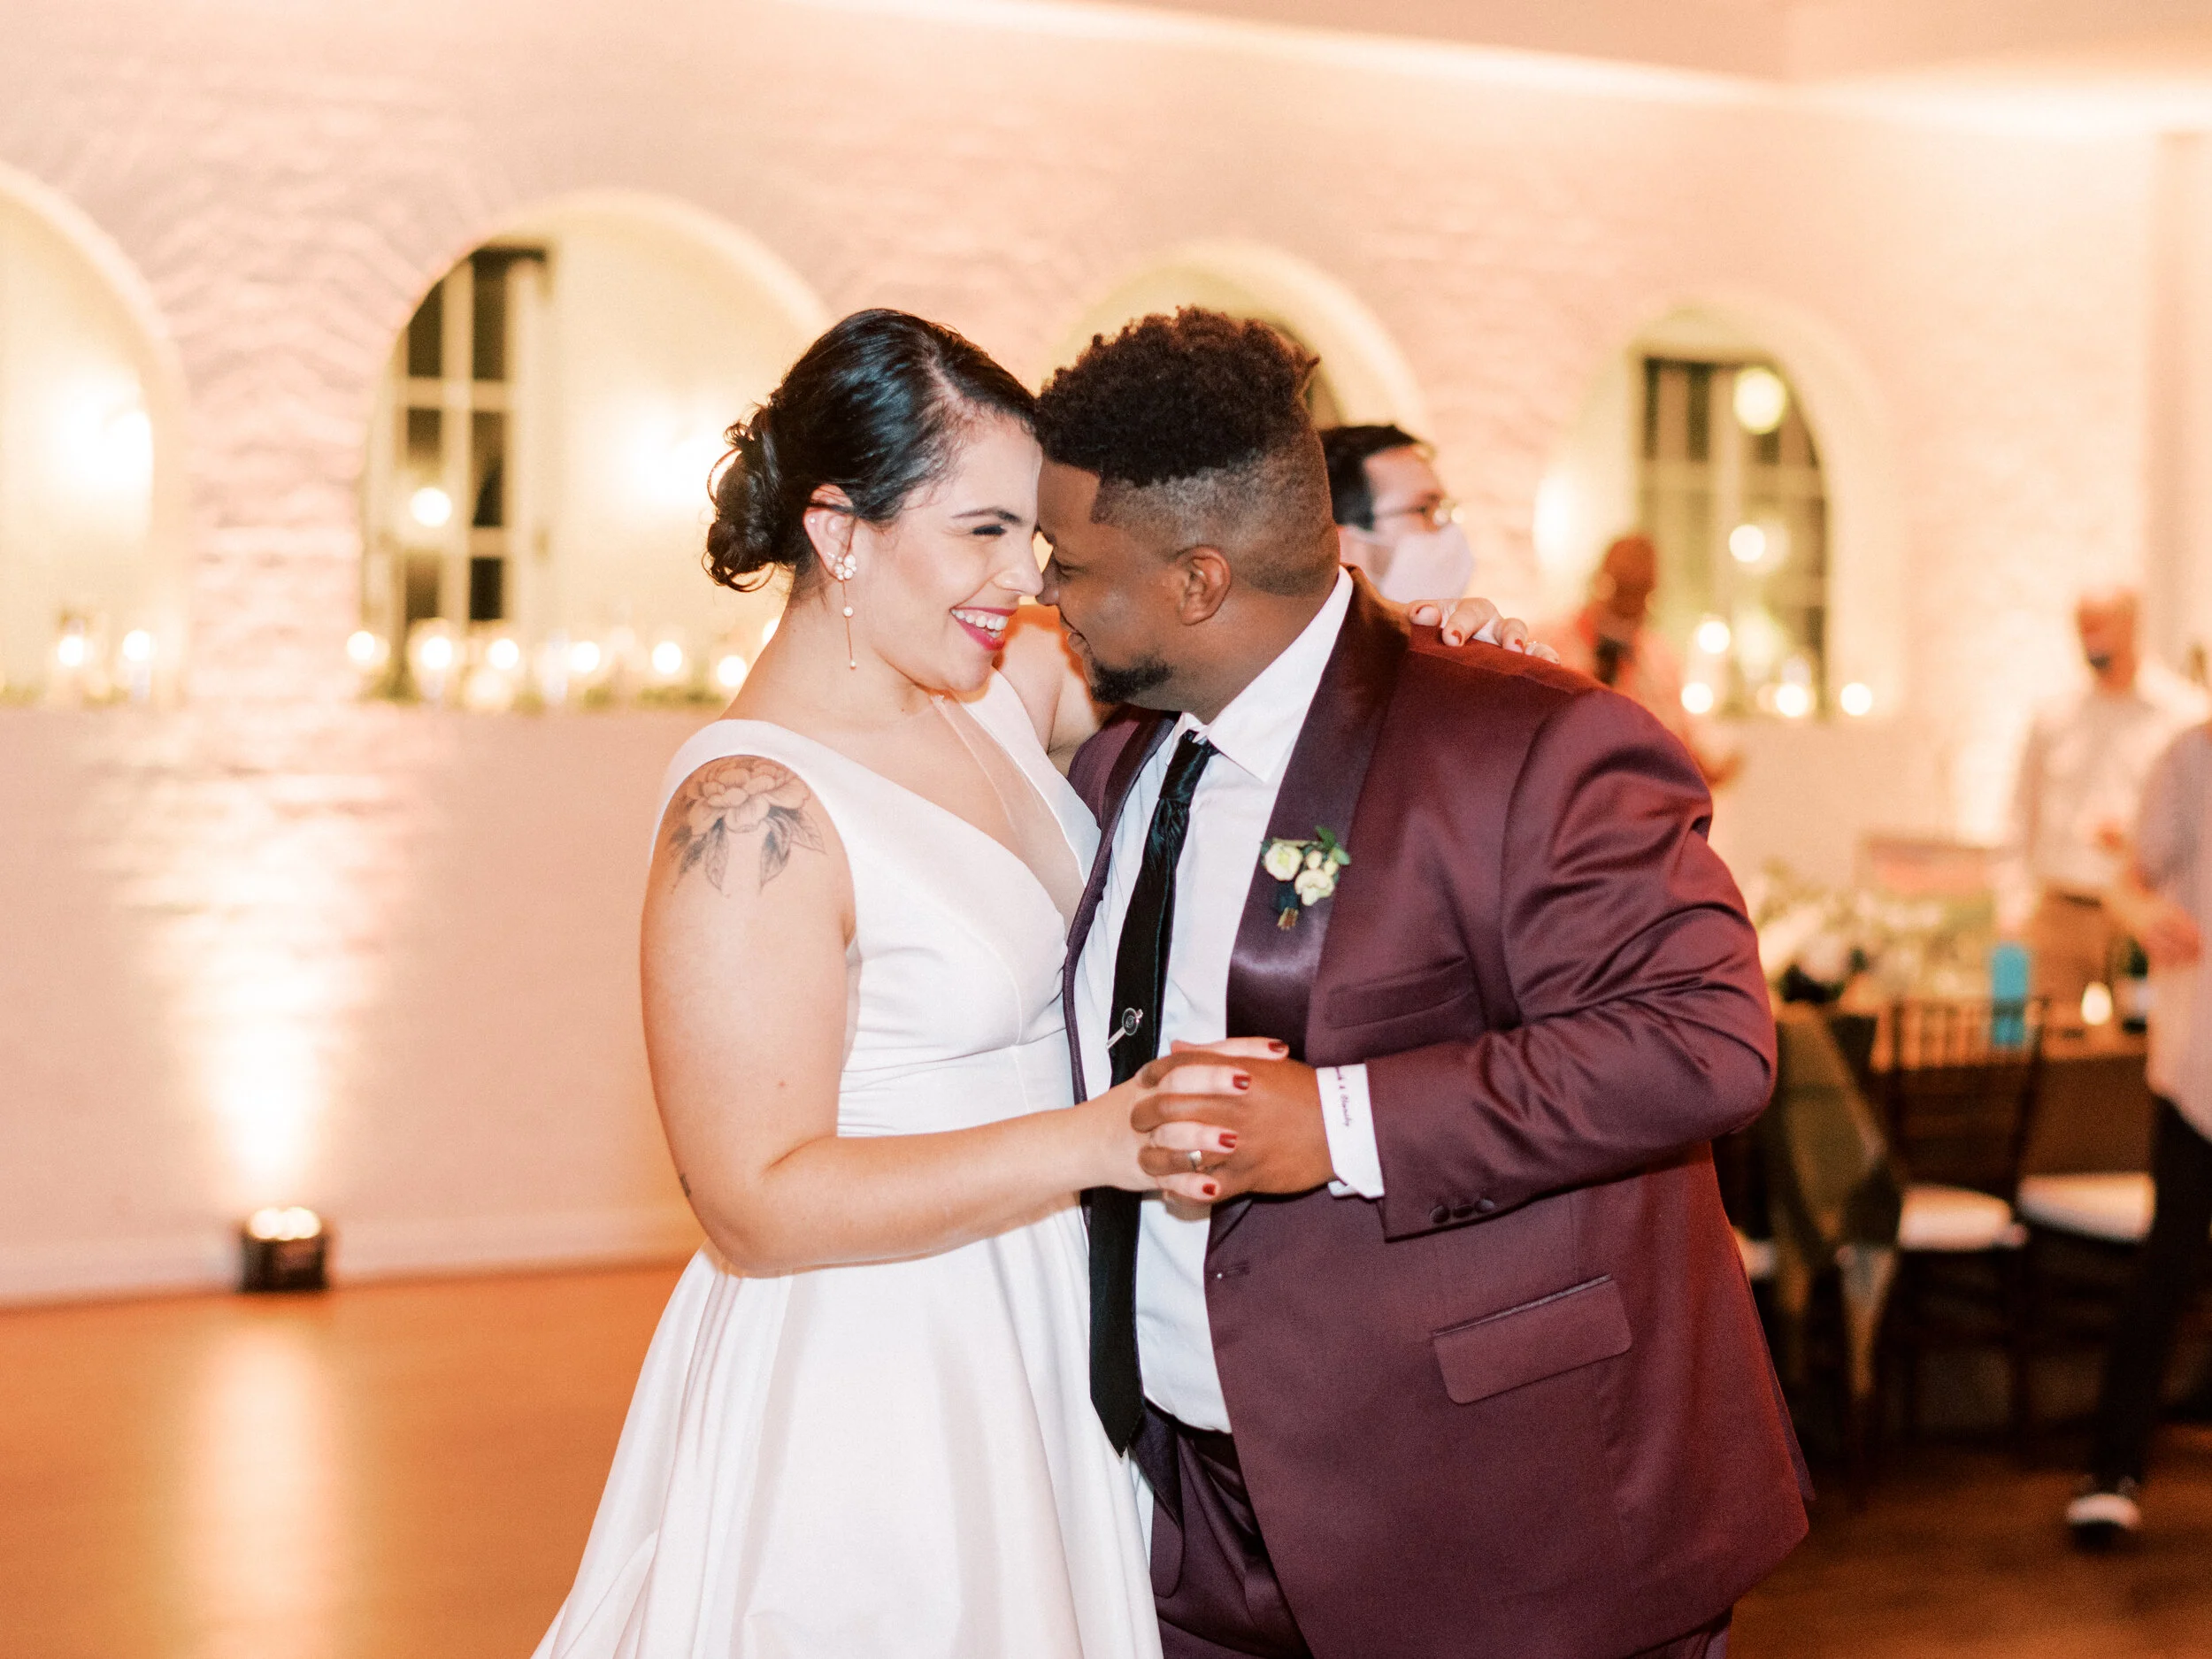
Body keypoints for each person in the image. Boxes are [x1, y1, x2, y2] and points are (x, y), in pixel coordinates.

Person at [533, 309, 1523, 1659]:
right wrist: (1104, 1140)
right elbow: (755, 1202)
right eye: (984, 530)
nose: (1028, 577)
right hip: (878, 1354)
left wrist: (1414, 643)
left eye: (1036, 534)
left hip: (1051, 1313)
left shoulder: (997, 686)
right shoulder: (750, 806)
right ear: (839, 529)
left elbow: (1246, 651)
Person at [1035, 309, 1808, 1659]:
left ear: (1198, 579)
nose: (1050, 595)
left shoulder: (1529, 739)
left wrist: (1336, 1120)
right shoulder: (1121, 767)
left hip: (1498, 1520)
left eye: (1073, 564)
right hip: (1189, 1523)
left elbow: (1702, 1041)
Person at [2065, 718, 2212, 1548]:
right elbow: (2123, 883)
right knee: (2167, 1266)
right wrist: (2149, 910)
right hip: (2202, 1071)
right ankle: (2111, 1468)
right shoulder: (2190, 759)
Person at [2002, 588, 2207, 1022]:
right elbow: (2021, 813)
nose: (2090, 639)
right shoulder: (2055, 716)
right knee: (2052, 1038)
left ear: (2131, 624)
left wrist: (2135, 837)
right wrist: (2014, 900)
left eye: (2100, 626)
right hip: (2065, 906)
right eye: (2083, 627)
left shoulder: (2183, 713)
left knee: (2138, 1035)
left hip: (2143, 915)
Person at [1537, 533, 1740, 788]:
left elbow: (1678, 743)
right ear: (1603, 581)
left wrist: (1708, 771)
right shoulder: (1550, 647)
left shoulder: (1660, 660)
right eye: (1625, 589)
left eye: (1641, 591)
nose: (1632, 603)